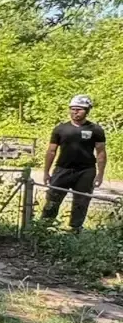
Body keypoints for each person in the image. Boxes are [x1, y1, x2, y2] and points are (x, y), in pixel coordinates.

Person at [41, 94, 107, 233]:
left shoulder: (95, 130)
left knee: (81, 202)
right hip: (62, 169)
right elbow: (51, 151)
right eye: (72, 109)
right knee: (53, 199)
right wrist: (46, 172)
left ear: (87, 111)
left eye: (79, 109)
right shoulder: (60, 129)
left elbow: (101, 152)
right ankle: (43, 229)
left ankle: (75, 230)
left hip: (86, 171)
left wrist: (100, 174)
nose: (75, 112)